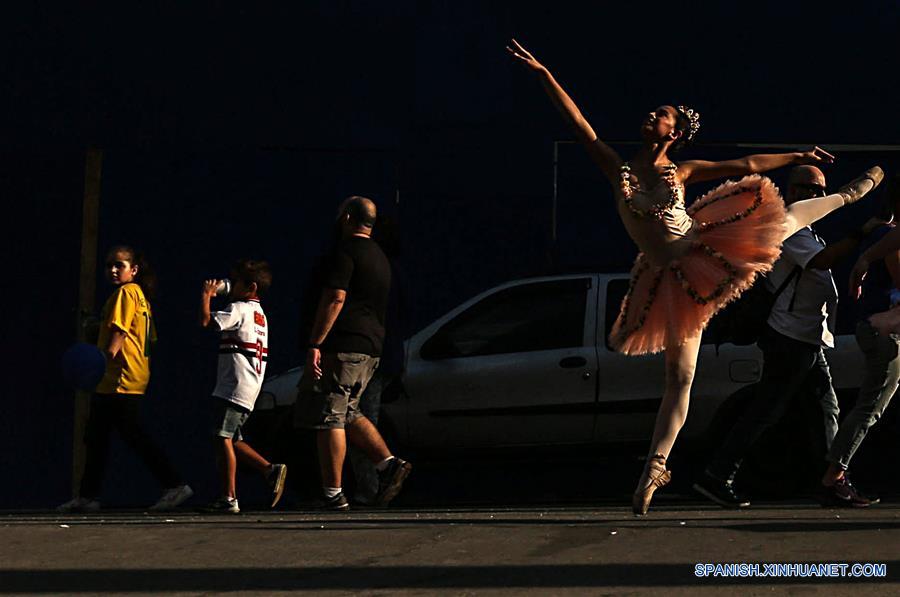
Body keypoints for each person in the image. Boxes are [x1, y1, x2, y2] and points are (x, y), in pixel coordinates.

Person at [506, 39, 884, 514]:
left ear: (676, 131)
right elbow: (580, 126)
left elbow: (746, 166)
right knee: (679, 377)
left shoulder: (681, 172)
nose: (651, 116)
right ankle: (655, 469)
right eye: (652, 112)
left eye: (661, 114)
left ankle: (848, 196)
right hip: (669, 279)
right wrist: (544, 74)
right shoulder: (618, 168)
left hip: (704, 254)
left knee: (781, 222)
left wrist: (796, 155)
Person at [693, 166, 887, 507]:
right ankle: (718, 475)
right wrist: (862, 231)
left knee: (824, 408)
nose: (817, 195)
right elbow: (822, 261)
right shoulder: (790, 229)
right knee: (768, 410)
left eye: (821, 189)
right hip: (790, 338)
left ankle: (831, 481)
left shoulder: (806, 230)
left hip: (806, 337)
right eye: (810, 188)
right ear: (792, 191)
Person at [294, 196, 412, 510]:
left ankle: (333, 494)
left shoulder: (345, 252)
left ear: (347, 217)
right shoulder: (381, 258)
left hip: (344, 346)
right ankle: (388, 464)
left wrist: (315, 343)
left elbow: (335, 298)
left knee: (330, 416)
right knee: (349, 411)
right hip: (371, 348)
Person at [59, 246, 193, 512]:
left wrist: (101, 359)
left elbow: (118, 335)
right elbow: (147, 338)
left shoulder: (126, 293)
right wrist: (98, 329)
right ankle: (88, 496)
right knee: (96, 436)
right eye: (109, 265)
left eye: (119, 265)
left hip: (118, 378)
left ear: (134, 270)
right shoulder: (142, 297)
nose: (112, 270)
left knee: (131, 435)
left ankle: (175, 485)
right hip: (126, 377)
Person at [819, 174, 900, 506]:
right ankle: (834, 477)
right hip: (885, 330)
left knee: (870, 404)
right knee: (871, 406)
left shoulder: (882, 235)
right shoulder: (888, 236)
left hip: (880, 326)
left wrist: (864, 260)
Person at [200, 260, 287, 514]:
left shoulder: (238, 308)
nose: (230, 285)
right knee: (233, 438)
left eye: (236, 282)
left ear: (251, 287)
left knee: (222, 437)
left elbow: (206, 322)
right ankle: (269, 470)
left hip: (233, 387)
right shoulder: (260, 315)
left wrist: (207, 295)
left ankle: (229, 498)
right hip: (249, 387)